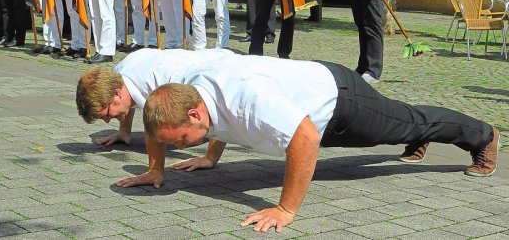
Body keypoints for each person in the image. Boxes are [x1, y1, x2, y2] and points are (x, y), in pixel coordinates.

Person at [135, 53, 500, 233]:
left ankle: (484, 135)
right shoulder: (194, 96)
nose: (179, 147)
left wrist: (286, 209)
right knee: (402, 126)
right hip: (318, 95)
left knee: (405, 122)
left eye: (179, 140)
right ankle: (417, 137)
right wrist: (193, 162)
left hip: (339, 98)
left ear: (196, 114)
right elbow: (216, 126)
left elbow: (305, 139)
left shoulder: (246, 99)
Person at [76, 48, 235, 146]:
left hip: (226, 68)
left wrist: (210, 158)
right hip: (205, 59)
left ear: (117, 93)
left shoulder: (161, 86)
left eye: (107, 114)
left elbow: (216, 107)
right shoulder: (119, 75)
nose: (107, 121)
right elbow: (127, 100)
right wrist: (124, 131)